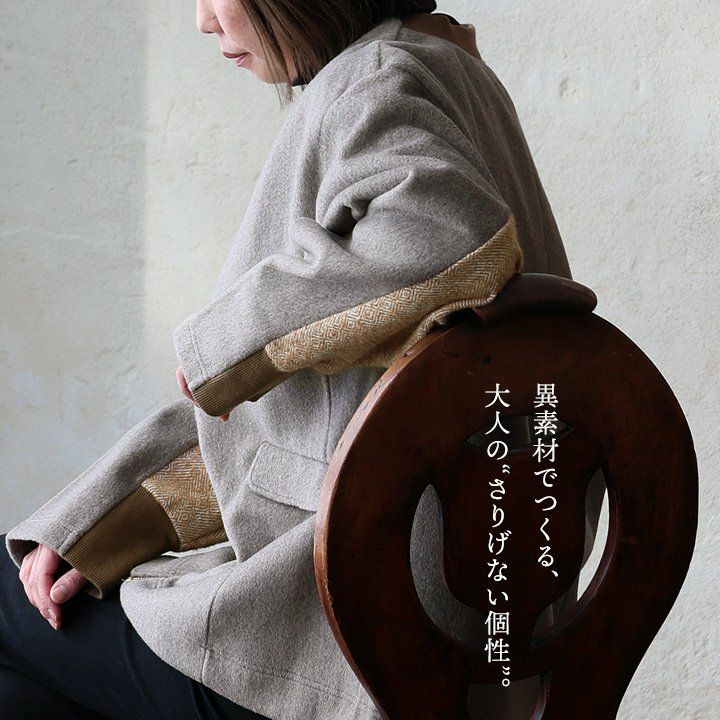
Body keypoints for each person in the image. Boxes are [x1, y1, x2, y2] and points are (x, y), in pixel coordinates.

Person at [2, 1, 605, 719]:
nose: (202, 20)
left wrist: (230, 339)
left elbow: (449, 235)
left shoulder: (374, 76)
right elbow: (315, 424)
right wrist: (102, 530)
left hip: (346, 652)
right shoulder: (450, 71)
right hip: (456, 663)